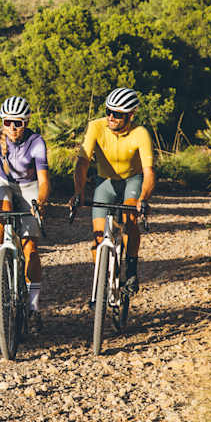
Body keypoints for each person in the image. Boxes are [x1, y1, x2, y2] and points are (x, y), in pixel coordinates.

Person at [0, 96, 50, 332]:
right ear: (2, 122)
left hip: (29, 187)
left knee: (31, 248)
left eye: (18, 123)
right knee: (2, 213)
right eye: (7, 122)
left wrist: (40, 203)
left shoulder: (36, 142)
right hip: (3, 182)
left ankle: (34, 308)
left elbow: (44, 181)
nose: (12, 128)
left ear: (26, 122)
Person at [71, 87, 155, 294]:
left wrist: (143, 199)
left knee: (129, 218)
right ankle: (105, 278)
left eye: (117, 114)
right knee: (99, 237)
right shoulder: (96, 127)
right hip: (105, 181)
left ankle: (132, 270)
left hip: (131, 180)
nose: (111, 117)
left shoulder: (140, 133)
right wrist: (78, 192)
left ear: (130, 114)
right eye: (108, 111)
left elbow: (149, 172)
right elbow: (82, 163)